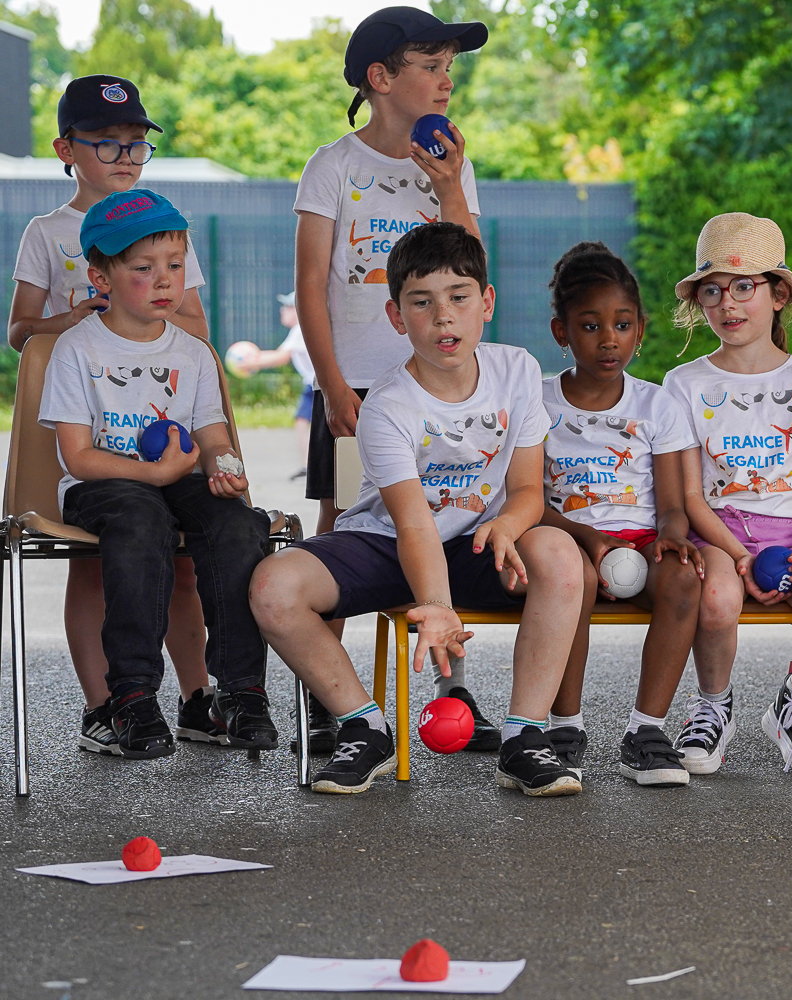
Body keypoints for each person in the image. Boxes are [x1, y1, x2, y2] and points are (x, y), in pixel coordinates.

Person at [251, 222, 586, 796]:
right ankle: (364, 726)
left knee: (559, 552)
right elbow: (412, 525)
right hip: (387, 542)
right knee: (272, 586)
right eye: (422, 302)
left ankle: (525, 737)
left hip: (476, 543)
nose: (443, 317)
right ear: (396, 316)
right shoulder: (387, 406)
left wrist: (507, 524)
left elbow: (529, 489)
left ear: (487, 303)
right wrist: (436, 605)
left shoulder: (518, 371)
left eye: (459, 297)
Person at [292, 6, 488, 751]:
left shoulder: (451, 166)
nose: (445, 81)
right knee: (342, 526)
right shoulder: (334, 166)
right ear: (380, 78)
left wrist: (449, 188)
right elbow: (312, 285)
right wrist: (332, 383)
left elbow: (472, 268)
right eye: (430, 66)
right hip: (357, 390)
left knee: (439, 526)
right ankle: (331, 699)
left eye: (449, 68)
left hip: (437, 393)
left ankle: (453, 692)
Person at [7, 74, 218, 756]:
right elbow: (19, 331)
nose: (125, 156)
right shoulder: (47, 232)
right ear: (65, 149)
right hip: (86, 431)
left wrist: (141, 308)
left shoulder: (165, 225)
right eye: (106, 143)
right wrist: (72, 320)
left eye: (135, 144)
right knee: (94, 563)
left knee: (181, 564)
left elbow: (198, 327)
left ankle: (197, 698)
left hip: (159, 422)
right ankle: (105, 707)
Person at [37, 190, 273, 759]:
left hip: (178, 478)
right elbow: (78, 457)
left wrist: (227, 470)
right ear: (101, 278)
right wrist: (157, 474)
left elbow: (213, 437)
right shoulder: (76, 348)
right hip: (102, 485)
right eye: (144, 269)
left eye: (174, 265)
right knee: (142, 521)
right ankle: (133, 695)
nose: (165, 280)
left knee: (238, 524)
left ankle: (239, 691)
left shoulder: (193, 352)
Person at [663, 213, 792, 775]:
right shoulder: (683, 384)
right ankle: (713, 705)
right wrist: (738, 556)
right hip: (719, 535)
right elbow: (690, 497)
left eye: (743, 287)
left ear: (779, 295)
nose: (727, 304)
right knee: (716, 598)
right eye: (712, 291)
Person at [541, 241, 705, 786]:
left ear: (640, 329)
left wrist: (672, 536)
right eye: (590, 326)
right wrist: (586, 538)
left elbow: (673, 505)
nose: (609, 339)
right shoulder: (536, 402)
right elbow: (527, 500)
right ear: (562, 332)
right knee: (575, 579)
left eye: (622, 324)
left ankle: (646, 731)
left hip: (639, 542)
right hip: (567, 540)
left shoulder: (657, 405)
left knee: (684, 578)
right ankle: (564, 729)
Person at [236, 292, 315, 479]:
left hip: (316, 385)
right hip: (312, 384)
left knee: (308, 422)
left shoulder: (301, 329)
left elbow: (281, 357)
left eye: (288, 307)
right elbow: (280, 353)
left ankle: (315, 466)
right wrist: (254, 360)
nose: (283, 310)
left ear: (300, 310)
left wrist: (251, 362)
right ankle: (308, 466)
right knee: (302, 420)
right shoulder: (300, 330)